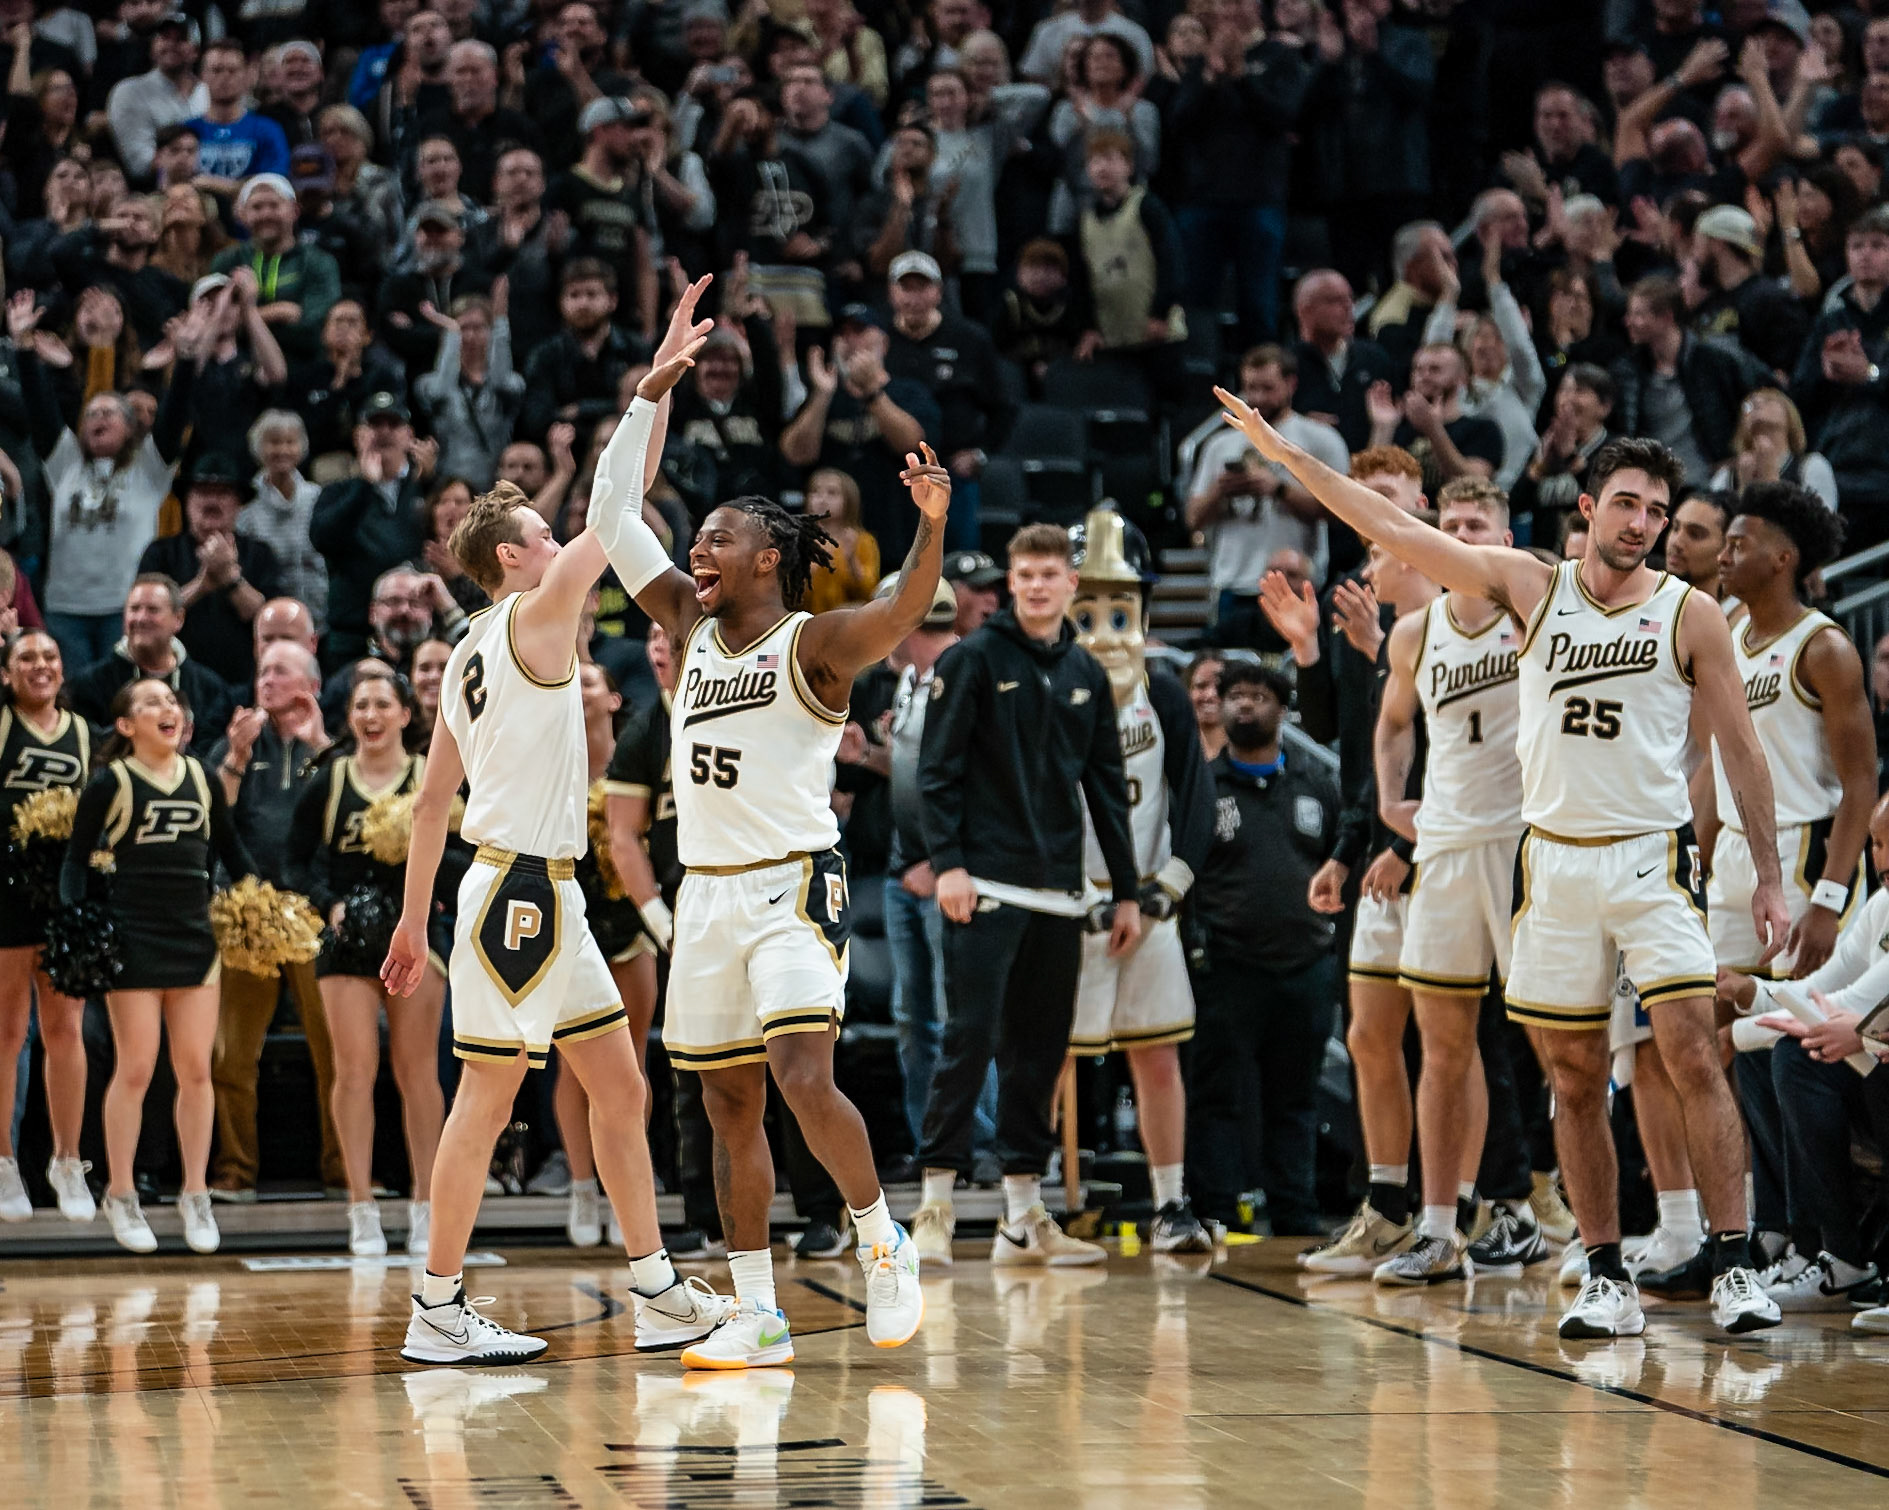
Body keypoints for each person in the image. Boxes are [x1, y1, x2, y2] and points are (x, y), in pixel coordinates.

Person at [1220, 392, 1787, 1340]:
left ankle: (1733, 1261)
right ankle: (1604, 1272)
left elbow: (1741, 752)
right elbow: (1390, 523)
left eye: (1656, 510)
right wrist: (1286, 456)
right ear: (1587, 508)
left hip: (1651, 862)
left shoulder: (1691, 617)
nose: (1642, 524)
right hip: (1552, 864)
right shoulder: (1528, 586)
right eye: (1627, 504)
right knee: (1569, 1075)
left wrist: (1765, 874)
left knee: (1691, 1050)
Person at [581, 348, 949, 1366]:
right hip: (705, 896)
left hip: (793, 882)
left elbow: (905, 614)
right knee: (723, 1100)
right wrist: (648, 390)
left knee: (798, 1070)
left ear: (765, 559)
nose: (697, 547)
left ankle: (881, 1240)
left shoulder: (814, 643)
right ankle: (758, 1310)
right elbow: (610, 517)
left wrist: (931, 524)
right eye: (695, 536)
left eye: (717, 536)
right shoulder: (686, 624)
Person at [381, 290, 729, 1366]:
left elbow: (431, 802)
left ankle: (657, 1286)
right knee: (485, 1100)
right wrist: (647, 388)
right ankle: (437, 1307)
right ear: (514, 560)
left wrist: (410, 924)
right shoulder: (534, 615)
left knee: (619, 1083)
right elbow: (614, 508)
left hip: (530, 890)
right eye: (542, 532)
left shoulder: (472, 649)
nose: (559, 538)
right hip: (521, 892)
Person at [909, 522, 1141, 1269]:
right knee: (967, 1042)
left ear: (1071, 583)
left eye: (1049, 574)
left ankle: (1021, 1216)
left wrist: (1127, 891)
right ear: (1010, 583)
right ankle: (935, 1207)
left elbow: (1106, 787)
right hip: (983, 885)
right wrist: (948, 864)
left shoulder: (1085, 672)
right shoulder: (971, 659)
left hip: (1060, 894)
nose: (1037, 586)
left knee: (1038, 1057)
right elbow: (934, 774)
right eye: (1025, 574)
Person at [1687, 484, 1875, 1296]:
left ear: (1783, 557)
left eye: (1737, 542)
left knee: (1781, 1049)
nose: (1722, 555)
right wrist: (1691, 868)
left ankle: (1821, 1243)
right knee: (1731, 1046)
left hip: (1800, 854)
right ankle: (1767, 1231)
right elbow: (1708, 767)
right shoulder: (1722, 633)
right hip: (1731, 854)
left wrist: (1830, 899)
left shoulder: (1822, 647)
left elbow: (1861, 785)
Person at [1366, 478, 1546, 1283]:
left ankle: (1565, 1216)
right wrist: (1388, 801)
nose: (1463, 535)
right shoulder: (1412, 632)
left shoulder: (1534, 609)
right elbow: (1392, 724)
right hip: (1443, 846)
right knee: (1440, 1046)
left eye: (1478, 525)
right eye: (1452, 525)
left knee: (1554, 1043)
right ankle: (1439, 1228)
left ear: (1505, 536)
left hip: (1524, 841)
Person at [61, 677, 258, 1255]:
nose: (167, 708)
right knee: (137, 1069)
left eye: (172, 701)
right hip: (132, 941)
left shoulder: (201, 775)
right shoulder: (112, 782)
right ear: (125, 725)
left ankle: (194, 1192)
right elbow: (76, 861)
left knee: (197, 1070)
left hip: (194, 940)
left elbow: (230, 849)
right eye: (150, 703)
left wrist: (268, 898)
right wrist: (78, 921)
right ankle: (121, 1192)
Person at [1066, 509, 1215, 1251]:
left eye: (1119, 608)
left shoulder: (1163, 691)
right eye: (1086, 608)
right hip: (1072, 901)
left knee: (1156, 1056)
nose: (1102, 626)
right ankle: (1036, 1203)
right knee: (1049, 1059)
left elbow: (1196, 795)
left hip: (1149, 901)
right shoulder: (1047, 692)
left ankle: (1169, 1202)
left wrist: (1168, 888)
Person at [289, 670, 449, 1259]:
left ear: (407, 713)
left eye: (383, 703)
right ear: (349, 716)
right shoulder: (330, 780)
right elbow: (296, 858)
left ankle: (426, 1204)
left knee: (417, 1073)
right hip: (348, 945)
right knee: (353, 1071)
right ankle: (361, 1207)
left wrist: (431, 887)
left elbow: (461, 850)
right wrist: (327, 904)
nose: (372, 714)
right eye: (361, 704)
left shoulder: (429, 777)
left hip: (413, 936)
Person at [1187, 659, 1340, 1235]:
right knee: (1218, 1095)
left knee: (1295, 1098)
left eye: (1258, 696)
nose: (1244, 706)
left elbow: (1336, 866)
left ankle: (1296, 1213)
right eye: (1234, 696)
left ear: (1283, 710)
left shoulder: (1314, 784)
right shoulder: (1203, 785)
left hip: (1305, 966)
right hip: (1226, 965)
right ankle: (1217, 1209)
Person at [208, 633, 343, 1203]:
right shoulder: (237, 744)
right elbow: (215, 819)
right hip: (248, 915)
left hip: (312, 915)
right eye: (263, 672)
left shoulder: (333, 750)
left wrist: (321, 745)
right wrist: (235, 760)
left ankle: (345, 1171)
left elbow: (347, 816)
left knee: (334, 1052)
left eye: (282, 672)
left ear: (311, 686)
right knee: (231, 1056)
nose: (267, 682)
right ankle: (236, 1172)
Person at [0, 629, 92, 1223]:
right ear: (7, 672)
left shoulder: (84, 734)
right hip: (6, 897)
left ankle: (67, 1159)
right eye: (26, 657)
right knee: (7, 1033)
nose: (40, 666)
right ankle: (4, 1160)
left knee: (66, 1031)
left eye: (50, 657)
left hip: (63, 901)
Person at [1186, 345, 1348, 641]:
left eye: (1267, 388)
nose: (1257, 398)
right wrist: (1219, 492)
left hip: (1297, 583)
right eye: (1250, 388)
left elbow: (1343, 514)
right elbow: (1193, 519)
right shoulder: (1219, 445)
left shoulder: (1318, 439)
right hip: (1233, 583)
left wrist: (1278, 488)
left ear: (1291, 384)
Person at [136, 453, 281, 688]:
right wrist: (201, 585)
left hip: (244, 681)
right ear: (187, 501)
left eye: (223, 493)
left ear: (238, 503)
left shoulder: (260, 553)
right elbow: (148, 616)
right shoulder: (160, 552)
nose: (211, 501)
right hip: (174, 682)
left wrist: (231, 579)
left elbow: (271, 620)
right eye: (202, 492)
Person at [66, 575, 233, 758]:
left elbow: (212, 757)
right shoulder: (88, 684)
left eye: (153, 610)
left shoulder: (210, 688)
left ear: (178, 619)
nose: (141, 618)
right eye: (134, 609)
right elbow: (87, 751)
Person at [804, 467, 880, 613]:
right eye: (815, 492)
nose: (822, 498)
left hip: (848, 621)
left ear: (849, 500)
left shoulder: (863, 541)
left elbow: (870, 593)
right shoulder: (797, 539)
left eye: (832, 493)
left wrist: (852, 561)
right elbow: (787, 593)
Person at [1663, 491, 1731, 602]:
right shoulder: (1643, 601)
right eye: (1675, 528)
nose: (1677, 542)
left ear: (1727, 548)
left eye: (1695, 534)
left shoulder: (1742, 617)